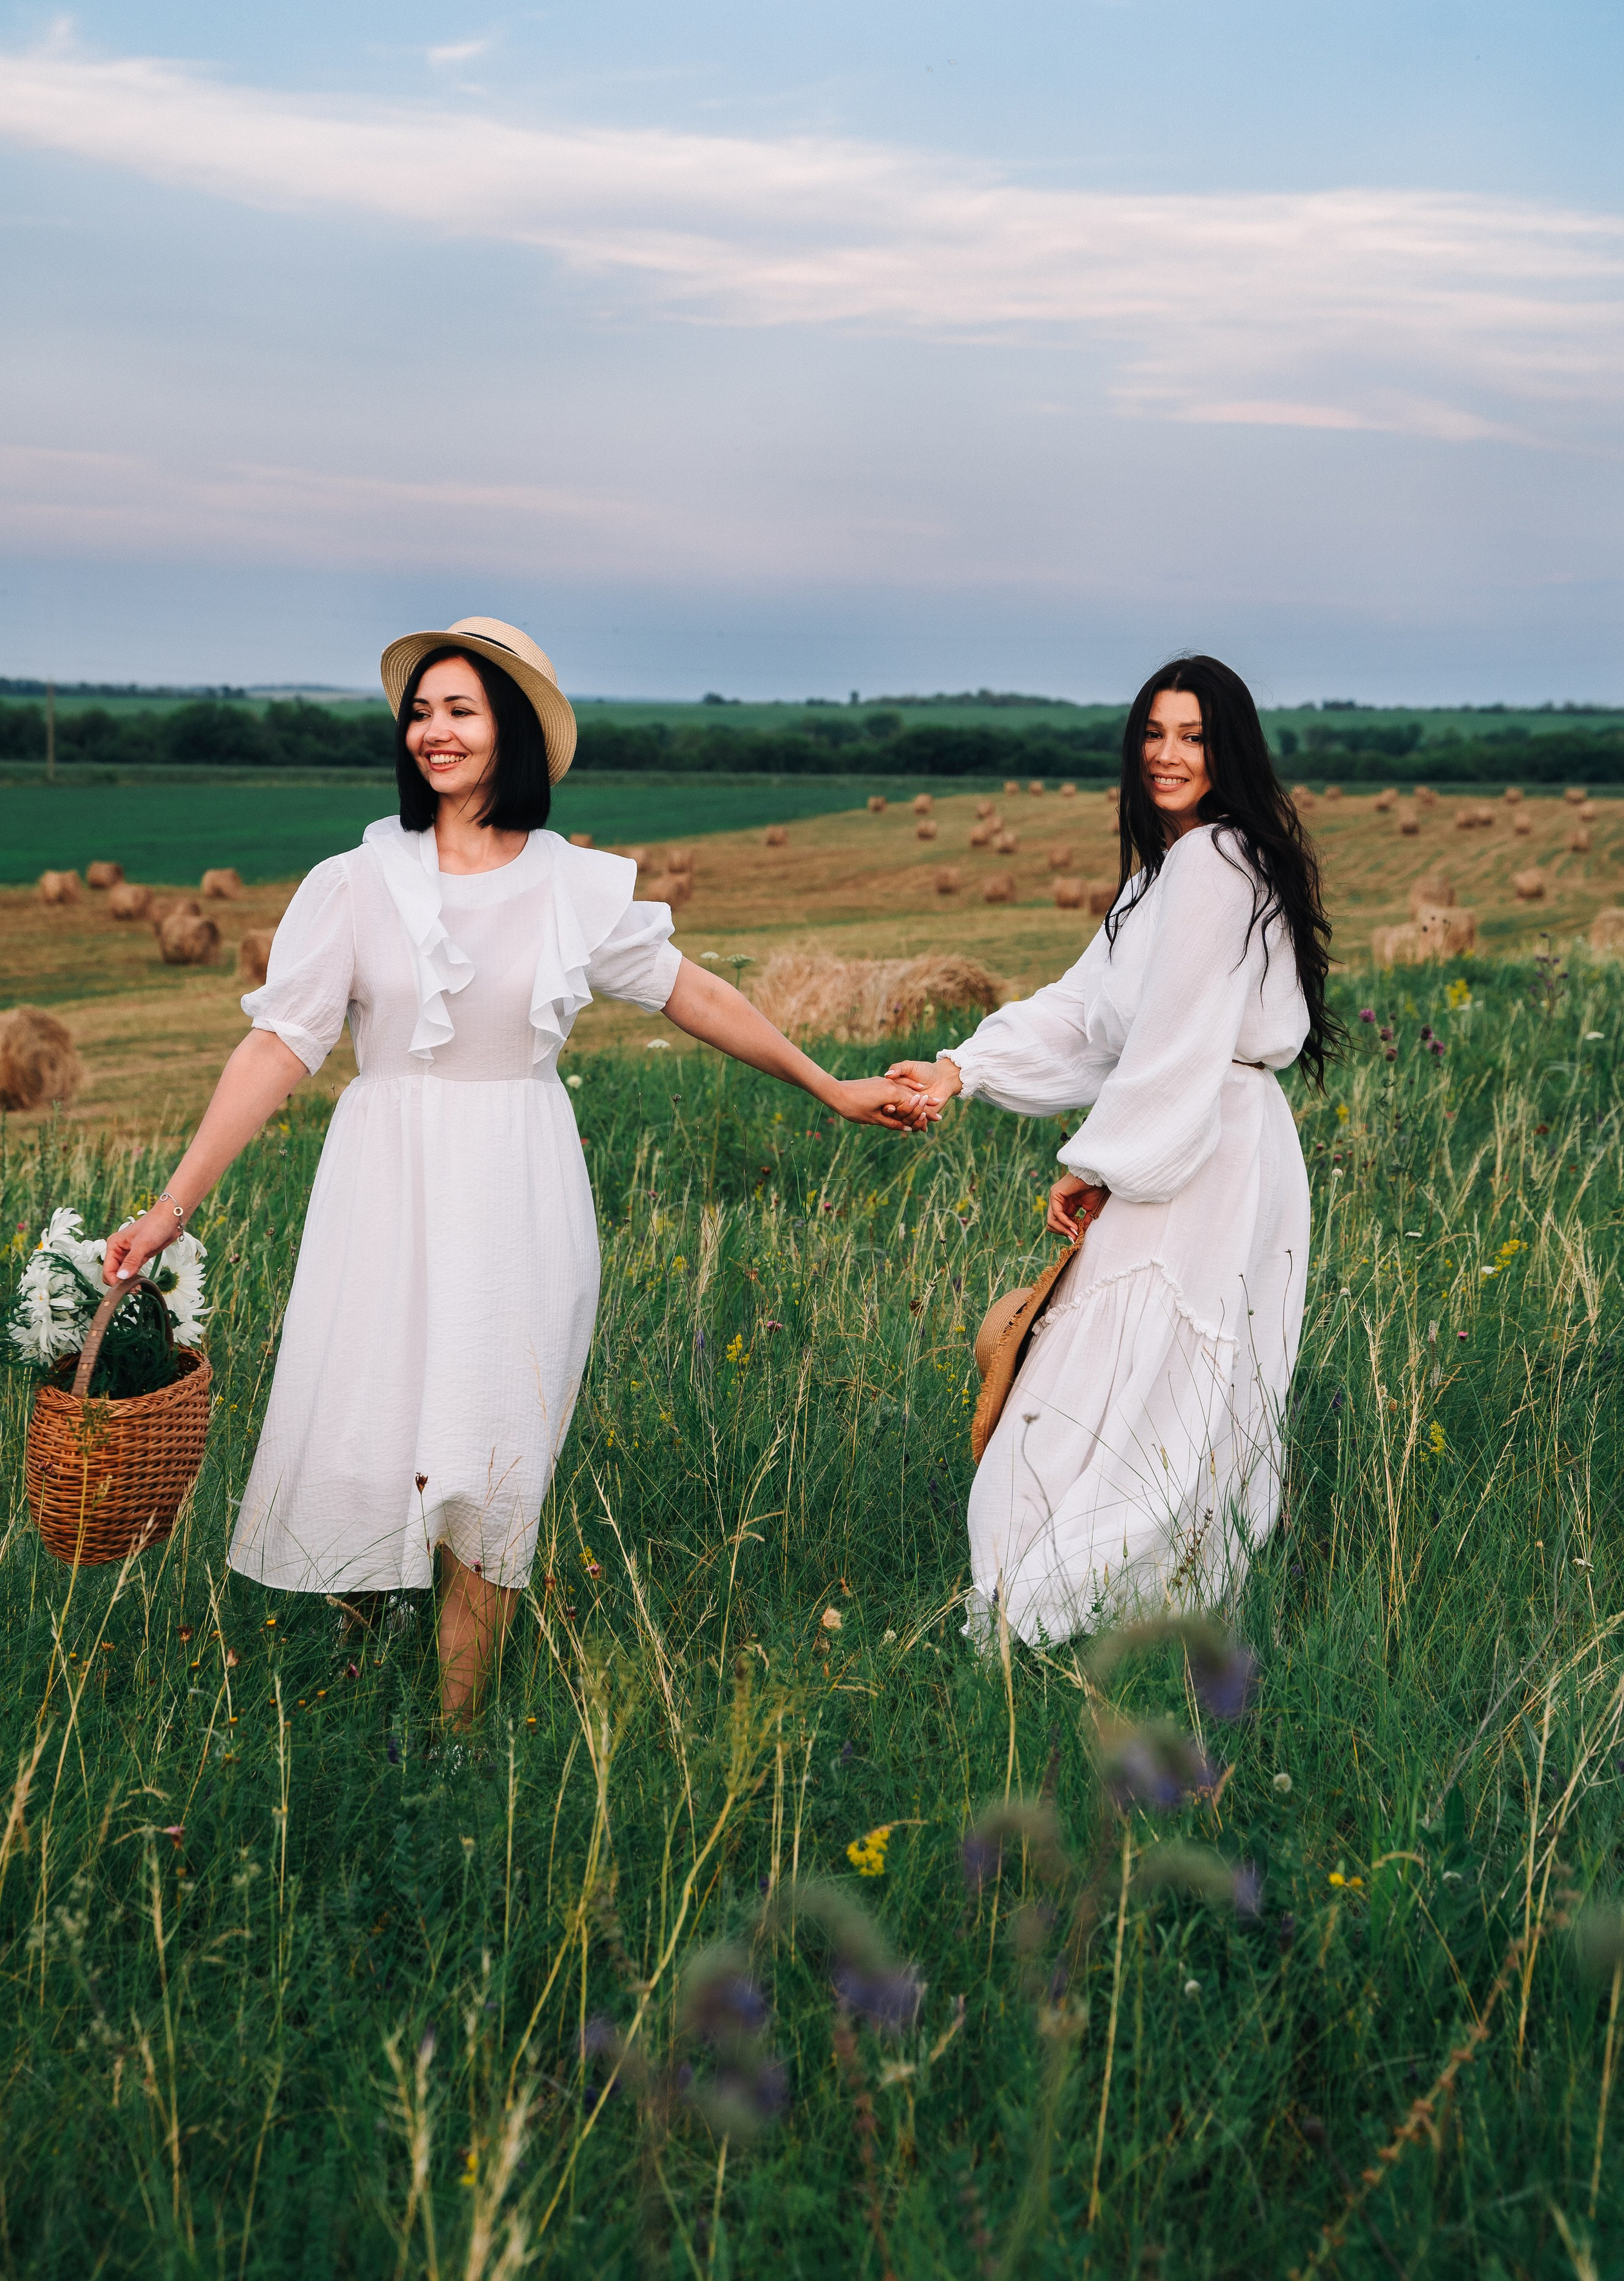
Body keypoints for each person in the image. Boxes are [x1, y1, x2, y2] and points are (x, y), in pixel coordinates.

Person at [104, 617, 918, 1722]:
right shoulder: (354, 880)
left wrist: (828, 1085)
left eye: (461, 711)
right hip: (383, 1193)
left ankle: (453, 1731)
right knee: (363, 1445)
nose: (434, 732)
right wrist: (169, 1208)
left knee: (490, 1460)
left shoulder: (572, 886)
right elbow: (275, 1048)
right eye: (421, 711)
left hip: (520, 1191)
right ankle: (351, 1683)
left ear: (514, 732)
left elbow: (695, 994)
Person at [885, 654, 1333, 1647]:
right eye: (1155, 734)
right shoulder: (1160, 880)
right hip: (1204, 1137)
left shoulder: (1217, 862)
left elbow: (1176, 1036)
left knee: (1122, 1370)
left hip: (1205, 1146)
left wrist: (1096, 1166)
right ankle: (1114, 1601)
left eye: (1195, 738)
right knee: (1141, 1375)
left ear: (1231, 754)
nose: (1168, 755)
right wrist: (962, 1068)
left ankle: (1060, 1604)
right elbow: (1087, 1015)